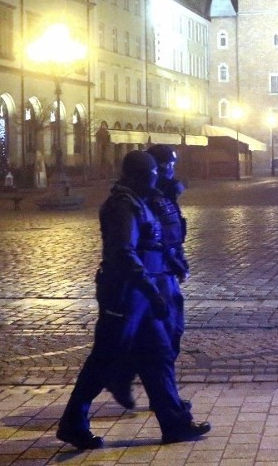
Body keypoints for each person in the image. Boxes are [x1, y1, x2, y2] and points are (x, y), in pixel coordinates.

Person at [56, 150, 210, 450]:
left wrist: (168, 270)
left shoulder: (140, 201)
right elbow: (124, 252)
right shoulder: (121, 206)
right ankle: (73, 422)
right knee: (103, 360)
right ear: (134, 176)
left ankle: (174, 422)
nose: (154, 181)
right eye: (149, 176)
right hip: (125, 295)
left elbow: (157, 242)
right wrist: (152, 291)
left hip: (143, 295)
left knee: (159, 356)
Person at [106, 144, 191, 410]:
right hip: (151, 276)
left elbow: (172, 230)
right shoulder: (138, 198)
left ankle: (164, 400)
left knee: (166, 337)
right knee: (159, 339)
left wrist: (178, 257)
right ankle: (152, 394)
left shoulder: (163, 192)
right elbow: (145, 239)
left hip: (164, 271)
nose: (172, 170)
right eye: (167, 165)